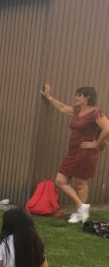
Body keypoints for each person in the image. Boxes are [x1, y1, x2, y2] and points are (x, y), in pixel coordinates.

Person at [40, 83, 109, 223]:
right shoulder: (77, 110)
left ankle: (79, 213)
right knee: (60, 180)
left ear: (87, 97)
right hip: (73, 151)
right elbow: (63, 108)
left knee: (80, 183)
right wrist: (49, 97)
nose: (76, 97)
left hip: (86, 152)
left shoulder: (96, 113)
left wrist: (96, 143)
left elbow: (107, 128)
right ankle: (81, 207)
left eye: (79, 95)